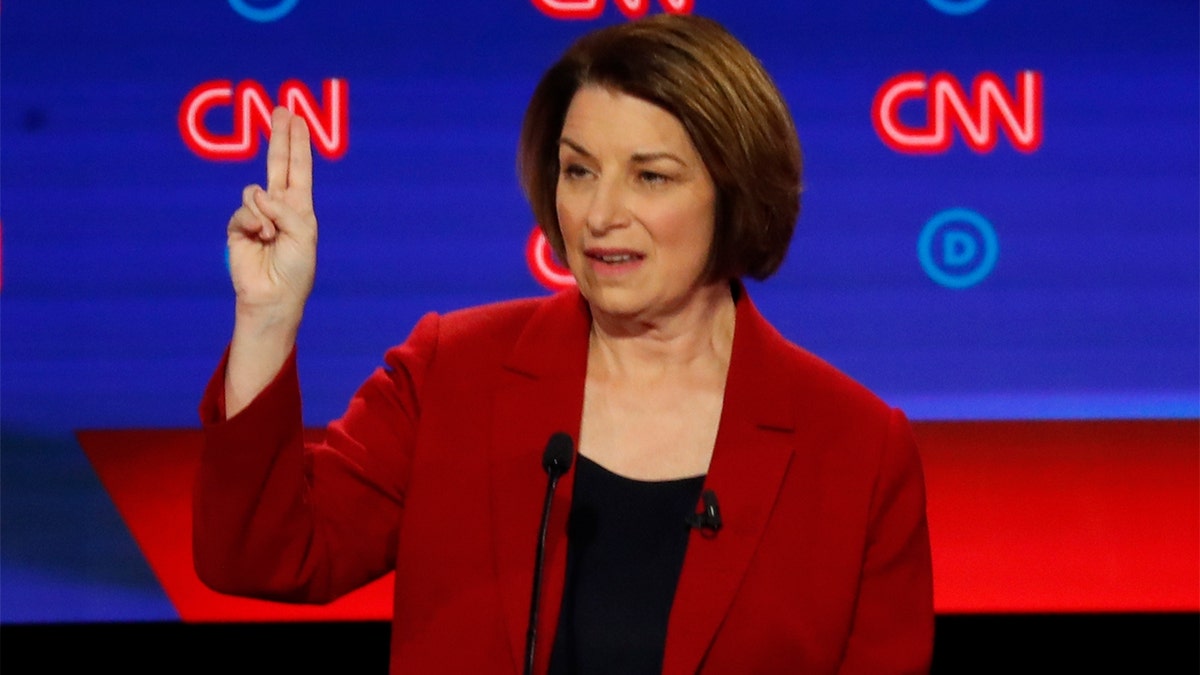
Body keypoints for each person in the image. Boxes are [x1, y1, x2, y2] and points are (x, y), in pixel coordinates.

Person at [194, 14, 933, 675]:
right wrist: (266, 319)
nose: (601, 213)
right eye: (579, 171)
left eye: (650, 176)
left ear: (735, 191)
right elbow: (267, 552)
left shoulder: (858, 451)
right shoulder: (454, 370)